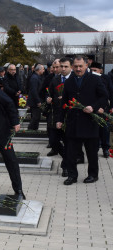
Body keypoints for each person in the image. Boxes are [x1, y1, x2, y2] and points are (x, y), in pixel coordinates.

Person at [57, 55, 108, 185]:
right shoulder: (69, 81)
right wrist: (60, 119)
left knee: (91, 152)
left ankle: (93, 175)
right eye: (76, 66)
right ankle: (72, 175)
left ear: (86, 65)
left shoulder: (95, 79)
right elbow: (64, 102)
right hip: (73, 122)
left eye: (81, 66)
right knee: (71, 152)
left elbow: (104, 97)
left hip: (90, 122)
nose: (78, 69)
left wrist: (94, 107)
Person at [46, 58, 72, 176]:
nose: (63, 69)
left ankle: (65, 166)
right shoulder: (55, 79)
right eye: (61, 66)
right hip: (55, 115)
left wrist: (68, 100)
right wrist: (48, 99)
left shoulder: (74, 79)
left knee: (68, 142)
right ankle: (66, 157)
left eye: (65, 66)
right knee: (53, 141)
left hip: (69, 116)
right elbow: (49, 93)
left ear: (70, 67)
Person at [90, 62, 113, 158]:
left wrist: (111, 106)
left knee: (104, 129)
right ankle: (93, 149)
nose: (93, 72)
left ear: (101, 70)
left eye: (95, 70)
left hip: (104, 109)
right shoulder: (89, 78)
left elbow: (111, 92)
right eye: (91, 70)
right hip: (92, 108)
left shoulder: (106, 78)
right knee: (93, 129)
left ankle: (105, 148)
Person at [43, 59, 61, 156]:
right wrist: (47, 98)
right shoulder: (50, 78)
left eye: (57, 67)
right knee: (52, 132)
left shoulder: (68, 78)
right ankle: (55, 148)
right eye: (53, 67)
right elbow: (45, 91)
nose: (55, 69)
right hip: (53, 109)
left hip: (64, 109)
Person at [27, 64, 45, 130]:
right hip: (34, 101)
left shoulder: (37, 77)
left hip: (35, 100)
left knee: (36, 117)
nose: (44, 70)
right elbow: (34, 91)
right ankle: (30, 129)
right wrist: (38, 101)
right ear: (39, 70)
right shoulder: (34, 78)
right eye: (43, 69)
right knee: (35, 117)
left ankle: (34, 129)